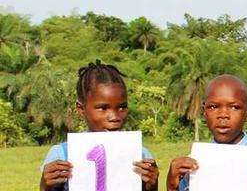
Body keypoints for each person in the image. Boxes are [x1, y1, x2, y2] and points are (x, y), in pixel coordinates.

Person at [39, 61, 160, 191]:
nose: (114, 117)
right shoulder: (62, 154)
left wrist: (151, 185)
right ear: (81, 108)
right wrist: (46, 185)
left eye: (122, 107)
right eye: (103, 108)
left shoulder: (141, 154)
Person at [166, 74, 247, 190]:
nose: (223, 115)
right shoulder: (192, 164)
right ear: (203, 111)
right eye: (213, 107)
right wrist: (171, 187)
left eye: (234, 107)